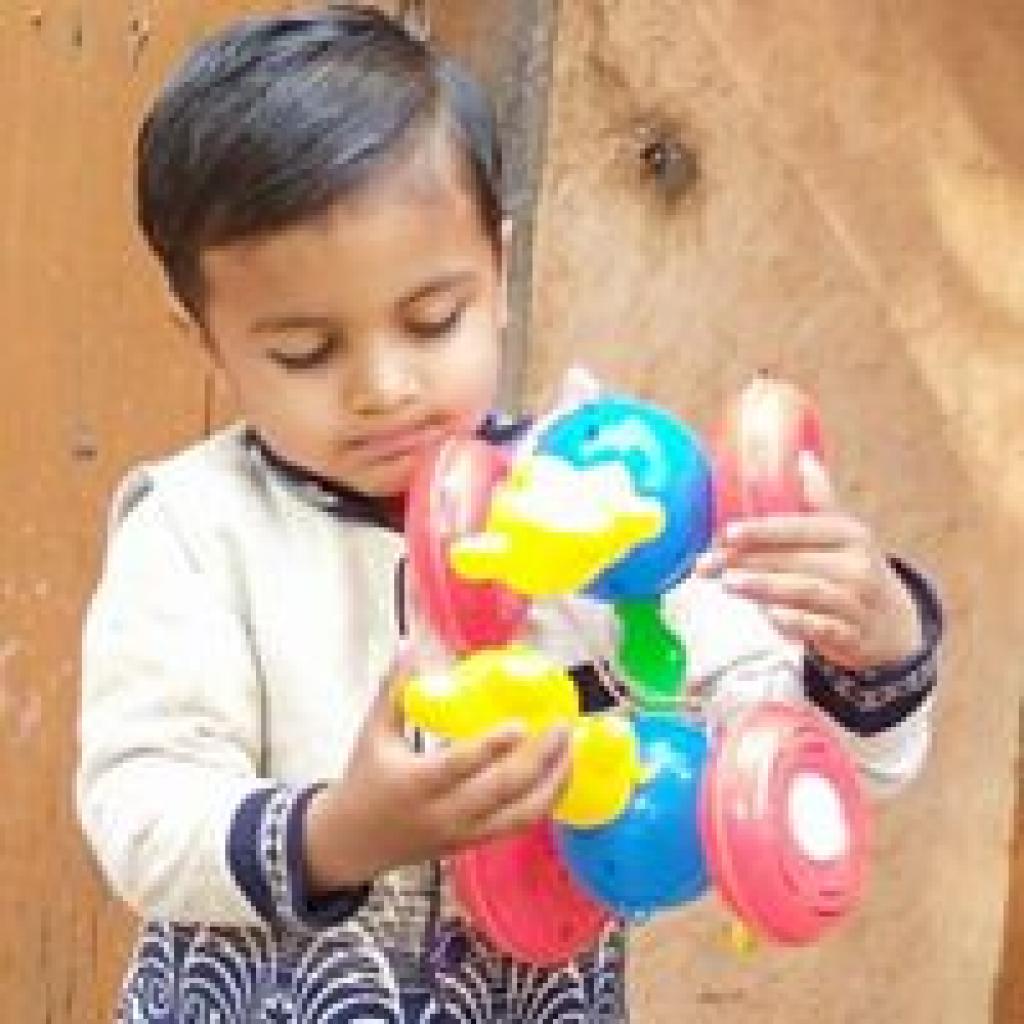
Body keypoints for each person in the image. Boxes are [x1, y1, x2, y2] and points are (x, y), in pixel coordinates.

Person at [75, 6, 943, 1022]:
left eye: (431, 319)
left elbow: (781, 760)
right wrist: (337, 833)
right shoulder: (196, 531)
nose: (385, 387)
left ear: (496, 272)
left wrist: (872, 648)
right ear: (207, 340)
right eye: (306, 352)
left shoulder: (603, 511)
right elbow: (140, 810)